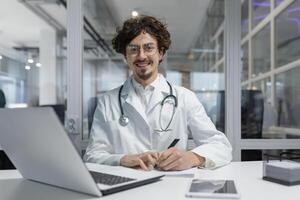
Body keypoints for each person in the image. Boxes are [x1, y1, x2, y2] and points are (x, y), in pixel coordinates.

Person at [84, 15, 232, 171]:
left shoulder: (184, 97)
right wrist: (122, 159)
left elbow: (221, 146)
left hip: (171, 188)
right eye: (133, 49)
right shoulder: (108, 101)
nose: (141, 56)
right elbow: (92, 155)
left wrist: (193, 157)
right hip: (126, 188)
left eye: (149, 48)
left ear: (161, 53)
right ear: (125, 56)